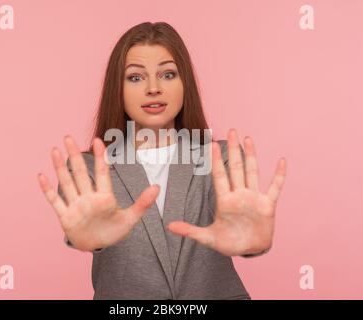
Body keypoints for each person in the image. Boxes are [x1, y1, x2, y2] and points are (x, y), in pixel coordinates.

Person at [37, 22, 287, 299]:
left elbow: (232, 214)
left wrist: (250, 243)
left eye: (168, 74)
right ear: (116, 88)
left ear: (185, 84)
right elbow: (82, 223)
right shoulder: (88, 169)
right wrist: (88, 239)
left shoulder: (222, 159)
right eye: (135, 77)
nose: (153, 88)